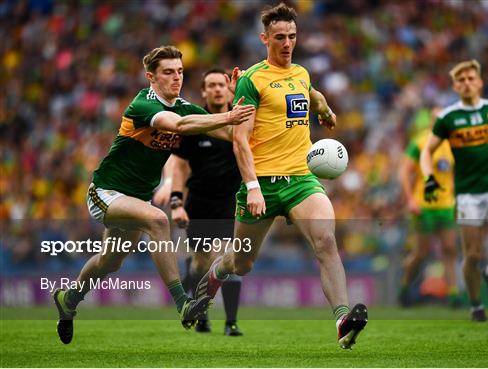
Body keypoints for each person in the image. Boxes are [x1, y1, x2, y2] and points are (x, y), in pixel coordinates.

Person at [52, 45, 255, 344]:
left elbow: (230, 135)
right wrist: (228, 118)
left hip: (135, 200)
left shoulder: (184, 106)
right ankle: (183, 304)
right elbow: (180, 126)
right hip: (105, 192)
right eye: (168, 72)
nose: (177, 78)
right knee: (158, 221)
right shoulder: (143, 106)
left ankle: (68, 300)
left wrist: (240, 101)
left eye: (180, 72)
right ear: (151, 77)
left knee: (110, 261)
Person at [193, 3, 368, 350]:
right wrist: (253, 187)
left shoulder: (301, 73)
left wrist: (325, 110)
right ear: (264, 38)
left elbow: (310, 93)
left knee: (327, 242)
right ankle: (213, 277)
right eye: (279, 38)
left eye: (291, 36)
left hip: (301, 180)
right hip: (262, 185)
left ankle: (342, 319)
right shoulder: (252, 79)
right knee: (240, 263)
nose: (287, 43)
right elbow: (241, 139)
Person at [420, 59, 488, 322]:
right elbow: (426, 152)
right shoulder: (448, 118)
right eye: (461, 80)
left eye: (470, 79)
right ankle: (476, 305)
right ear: (455, 86)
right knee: (472, 254)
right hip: (468, 194)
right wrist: (430, 178)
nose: (466, 83)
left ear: (480, 82)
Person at [153, 68, 243, 336]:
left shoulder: (240, 122)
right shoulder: (194, 124)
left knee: (229, 256)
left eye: (221, 84)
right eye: (211, 85)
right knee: (201, 262)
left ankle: (231, 322)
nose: (216, 89)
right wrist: (177, 202)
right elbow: (179, 166)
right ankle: (199, 310)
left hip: (230, 201)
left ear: (229, 89)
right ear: (204, 91)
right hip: (200, 203)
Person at [398, 108, 460, 307]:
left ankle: (453, 294)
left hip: (446, 205)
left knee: (450, 248)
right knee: (421, 252)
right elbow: (405, 172)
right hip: (424, 205)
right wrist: (410, 199)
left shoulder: (453, 144)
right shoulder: (420, 142)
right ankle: (405, 287)